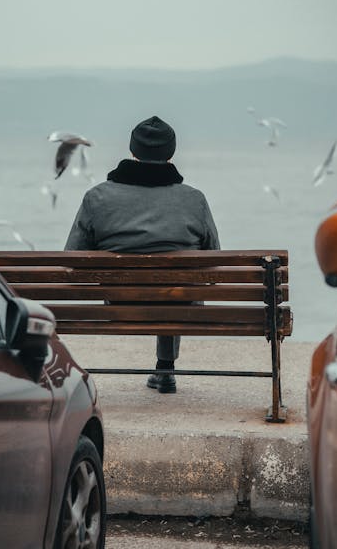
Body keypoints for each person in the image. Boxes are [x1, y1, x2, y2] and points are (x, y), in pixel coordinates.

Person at [64, 115, 220, 393]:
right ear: (170, 153)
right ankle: (165, 369)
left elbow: (72, 259)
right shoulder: (193, 199)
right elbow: (214, 260)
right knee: (175, 287)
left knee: (169, 284)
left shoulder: (97, 197)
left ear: (133, 151)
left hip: (120, 304)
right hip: (179, 305)